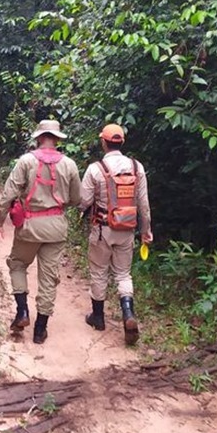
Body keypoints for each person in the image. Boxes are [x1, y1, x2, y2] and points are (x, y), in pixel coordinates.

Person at [0, 120, 81, 344]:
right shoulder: (69, 164)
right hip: (56, 228)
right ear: (58, 139)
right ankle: (40, 329)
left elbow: (9, 192)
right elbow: (75, 199)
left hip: (29, 227)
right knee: (49, 278)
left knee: (18, 264)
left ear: (39, 138)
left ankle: (22, 312)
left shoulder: (26, 161)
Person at [80, 124, 152, 345]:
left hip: (102, 229)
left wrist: (82, 210)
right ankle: (128, 314)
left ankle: (98, 317)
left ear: (103, 142)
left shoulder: (95, 169)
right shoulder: (136, 167)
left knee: (99, 272)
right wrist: (146, 231)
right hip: (127, 230)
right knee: (123, 274)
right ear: (122, 142)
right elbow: (144, 204)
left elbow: (83, 201)